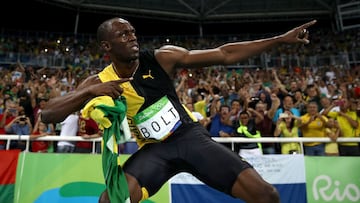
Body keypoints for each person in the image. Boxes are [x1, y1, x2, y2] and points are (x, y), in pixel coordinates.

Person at [41, 17, 316, 203]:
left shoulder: (161, 58)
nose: (132, 37)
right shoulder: (98, 81)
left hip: (189, 138)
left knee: (267, 195)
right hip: (154, 151)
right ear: (106, 46)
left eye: (132, 32)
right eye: (123, 35)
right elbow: (48, 115)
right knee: (109, 200)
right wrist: (89, 92)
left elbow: (224, 53)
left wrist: (280, 39)